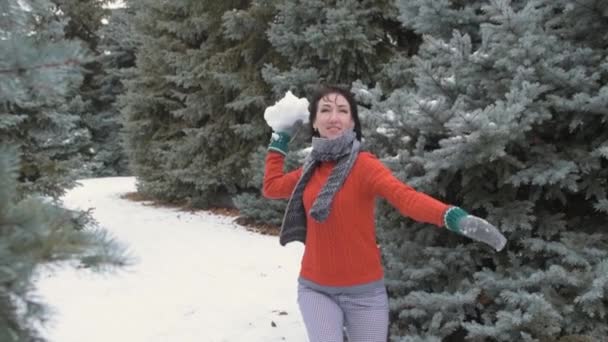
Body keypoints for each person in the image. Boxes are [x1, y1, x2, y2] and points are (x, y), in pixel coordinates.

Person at [262, 86, 506, 342]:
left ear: (352, 122)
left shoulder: (365, 166)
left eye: (342, 110)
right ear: (314, 121)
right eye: (325, 110)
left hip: (365, 294)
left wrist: (456, 217)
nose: (334, 117)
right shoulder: (309, 170)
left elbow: (406, 198)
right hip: (316, 289)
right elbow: (272, 187)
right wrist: (281, 135)